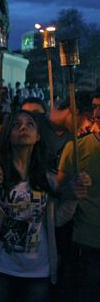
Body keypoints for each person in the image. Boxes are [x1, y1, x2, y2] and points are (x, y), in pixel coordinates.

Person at [0, 110, 84, 301]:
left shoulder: (47, 176)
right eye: (16, 124)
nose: (23, 127)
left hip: (37, 269)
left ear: (38, 136)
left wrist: (72, 197)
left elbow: (58, 220)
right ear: (7, 135)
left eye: (29, 124)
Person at [57, 91, 100, 301]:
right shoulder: (74, 148)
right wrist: (70, 190)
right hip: (86, 242)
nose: (97, 113)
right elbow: (58, 194)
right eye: (95, 106)